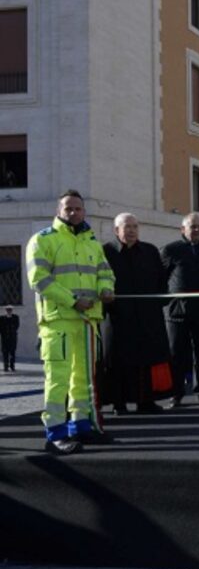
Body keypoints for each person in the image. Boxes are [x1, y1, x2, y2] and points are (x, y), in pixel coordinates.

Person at [26, 190, 115, 454]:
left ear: (84, 211)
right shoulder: (43, 240)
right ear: (59, 211)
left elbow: (105, 272)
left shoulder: (92, 242)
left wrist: (106, 289)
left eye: (78, 209)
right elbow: (39, 279)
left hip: (88, 321)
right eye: (68, 209)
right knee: (58, 379)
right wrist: (72, 300)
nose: (73, 213)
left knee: (84, 378)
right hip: (59, 321)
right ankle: (55, 433)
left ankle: (81, 427)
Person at [101, 213, 171, 415]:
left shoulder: (149, 251)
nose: (131, 230)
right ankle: (118, 403)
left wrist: (159, 301)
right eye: (126, 227)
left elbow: (161, 280)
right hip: (118, 317)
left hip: (147, 316)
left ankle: (145, 401)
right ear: (116, 230)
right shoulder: (106, 252)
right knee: (117, 362)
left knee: (146, 361)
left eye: (134, 226)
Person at [161, 213, 199, 405]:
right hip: (177, 312)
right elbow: (161, 277)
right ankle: (176, 393)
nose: (196, 230)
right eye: (192, 227)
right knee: (177, 354)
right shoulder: (171, 250)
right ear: (183, 229)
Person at [0, 305, 19, 372]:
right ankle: (5, 366)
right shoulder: (2, 318)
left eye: (10, 310)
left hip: (12, 338)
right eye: (7, 310)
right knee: (5, 353)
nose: (9, 311)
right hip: (4, 338)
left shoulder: (15, 317)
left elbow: (16, 326)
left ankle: (12, 366)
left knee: (12, 353)